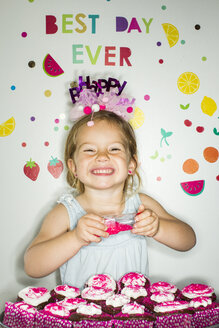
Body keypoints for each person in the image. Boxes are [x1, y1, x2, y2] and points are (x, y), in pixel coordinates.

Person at [24, 95, 196, 290]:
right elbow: (32, 265)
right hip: (82, 317)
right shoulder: (66, 213)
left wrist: (158, 228)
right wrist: (75, 238)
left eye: (114, 149)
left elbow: (188, 240)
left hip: (133, 315)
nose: (102, 157)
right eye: (89, 150)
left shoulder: (140, 204)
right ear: (73, 168)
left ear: (131, 164)